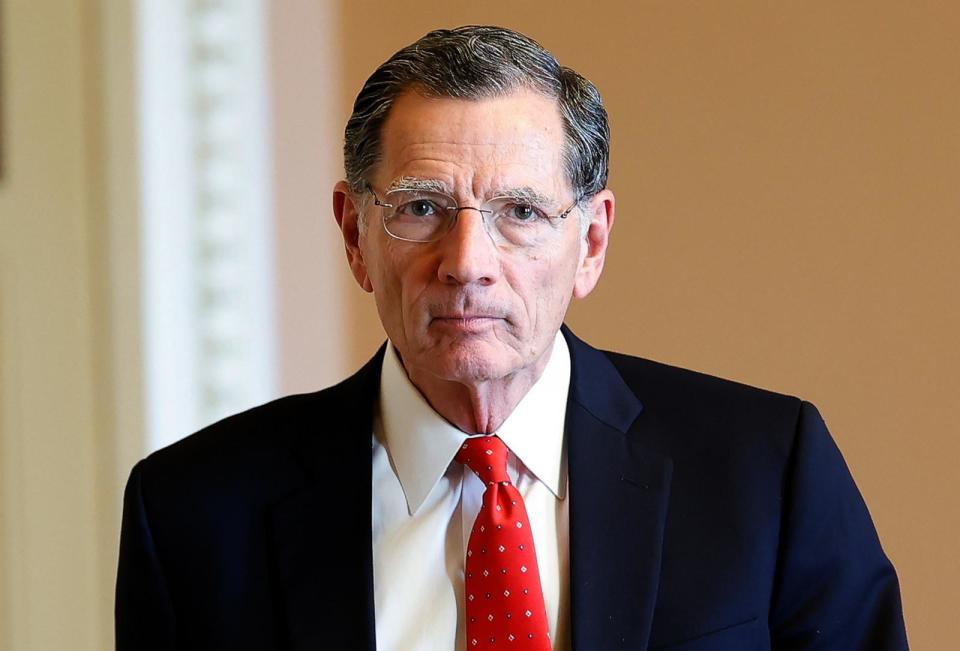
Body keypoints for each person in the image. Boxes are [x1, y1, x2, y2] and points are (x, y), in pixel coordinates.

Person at [116, 25, 908, 651]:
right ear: (355, 236)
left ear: (590, 242)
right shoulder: (194, 513)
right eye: (421, 207)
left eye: (520, 213)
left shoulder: (767, 472)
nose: (468, 264)